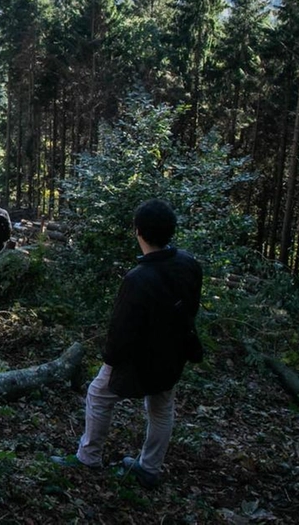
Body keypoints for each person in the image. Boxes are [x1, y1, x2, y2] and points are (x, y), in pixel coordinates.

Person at [57, 199, 203, 488]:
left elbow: (121, 330)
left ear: (138, 231)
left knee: (98, 394)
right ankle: (149, 468)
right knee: (162, 408)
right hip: (173, 355)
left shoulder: (138, 279)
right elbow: (191, 308)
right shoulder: (189, 264)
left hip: (138, 361)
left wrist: (110, 361)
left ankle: (89, 457)